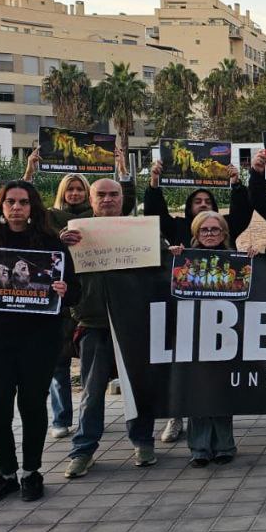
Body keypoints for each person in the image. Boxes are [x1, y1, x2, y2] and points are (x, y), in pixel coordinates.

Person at [0, 181, 79, 503]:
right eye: (11, 202)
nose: (17, 208)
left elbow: (76, 289)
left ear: (33, 207)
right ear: (1, 206)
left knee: (32, 407)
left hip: (38, 340)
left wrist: (63, 291)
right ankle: (6, 474)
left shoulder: (49, 244)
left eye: (24, 202)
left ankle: (31, 472)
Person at [24, 148, 134, 442]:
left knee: (101, 372)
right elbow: (27, 213)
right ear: (62, 192)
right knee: (59, 363)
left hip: (95, 305)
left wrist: (121, 168)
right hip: (63, 304)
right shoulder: (50, 218)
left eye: (79, 189)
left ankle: (133, 429)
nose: (74, 193)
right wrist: (30, 171)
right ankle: (63, 418)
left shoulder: (97, 215)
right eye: (69, 188)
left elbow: (125, 202)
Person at [145, 160, 252, 445]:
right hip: (188, 321)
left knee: (218, 383)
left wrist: (237, 183)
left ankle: (223, 442)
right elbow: (155, 214)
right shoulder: (178, 230)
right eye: (197, 201)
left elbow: (243, 211)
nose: (203, 205)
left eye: (208, 201)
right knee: (189, 379)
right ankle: (183, 425)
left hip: (223, 320)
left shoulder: (226, 230)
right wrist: (154, 184)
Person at [60, 178, 158, 478]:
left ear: (122, 198)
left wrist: (171, 250)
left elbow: (162, 264)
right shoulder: (75, 233)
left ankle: (142, 441)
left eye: (113, 194)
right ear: (90, 200)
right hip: (93, 322)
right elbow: (57, 271)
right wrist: (59, 244)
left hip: (134, 323)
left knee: (137, 388)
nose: (107, 200)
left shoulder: (141, 231)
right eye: (100, 195)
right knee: (92, 390)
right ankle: (83, 449)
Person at [169, 211, 244, 467]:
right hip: (193, 334)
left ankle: (225, 445)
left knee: (221, 391)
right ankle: (199, 448)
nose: (210, 235)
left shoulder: (236, 260)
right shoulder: (183, 259)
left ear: (224, 233)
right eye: (204, 230)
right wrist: (172, 258)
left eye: (215, 230)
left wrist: (254, 260)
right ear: (196, 233)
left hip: (226, 334)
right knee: (197, 391)